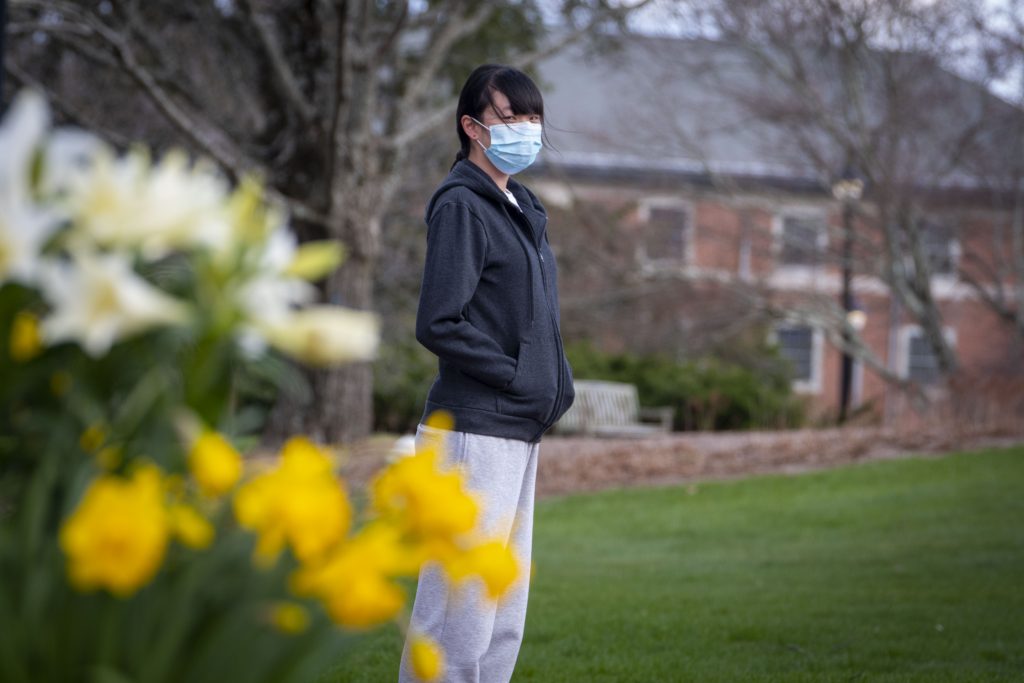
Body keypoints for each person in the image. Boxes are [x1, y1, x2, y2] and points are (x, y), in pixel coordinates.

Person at [398, 64, 575, 683]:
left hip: (517, 430)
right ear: (472, 126)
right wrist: (518, 378)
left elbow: (529, 317)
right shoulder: (461, 207)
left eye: (532, 117)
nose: (525, 128)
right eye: (508, 116)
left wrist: (556, 383)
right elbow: (439, 322)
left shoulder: (519, 207)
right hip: (473, 431)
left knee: (502, 611)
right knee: (457, 613)